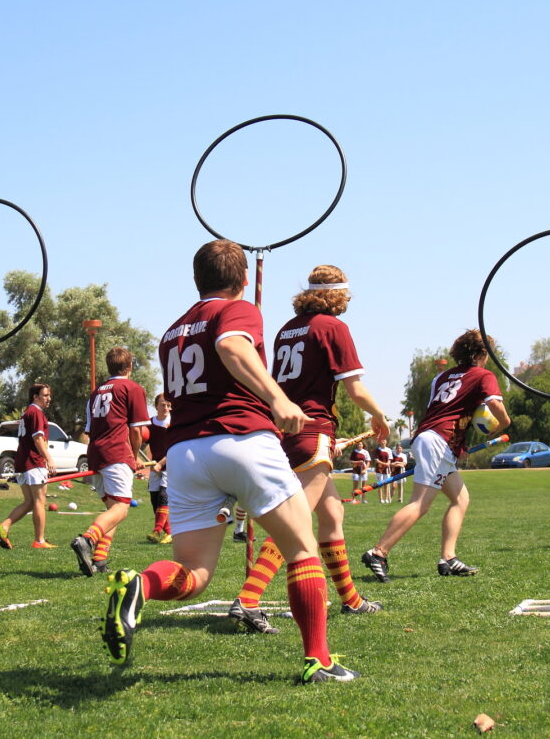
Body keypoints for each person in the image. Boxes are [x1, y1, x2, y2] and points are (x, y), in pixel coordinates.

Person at [100, 239, 357, 684]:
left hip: (185, 454)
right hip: (242, 439)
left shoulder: (173, 330)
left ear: (196, 279)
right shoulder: (238, 310)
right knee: (301, 548)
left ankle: (141, 584)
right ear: (241, 280)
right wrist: (278, 400)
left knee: (193, 574)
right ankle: (319, 658)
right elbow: (231, 348)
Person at [230, 265, 390, 633]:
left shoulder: (288, 328)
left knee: (332, 513)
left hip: (285, 429)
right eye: (346, 294)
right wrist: (379, 415)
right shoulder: (333, 327)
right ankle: (248, 599)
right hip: (313, 430)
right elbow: (355, 389)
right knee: (295, 521)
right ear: (336, 294)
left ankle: (351, 600)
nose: (348, 301)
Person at [361, 330, 509, 581]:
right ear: (483, 354)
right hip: (438, 442)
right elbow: (495, 406)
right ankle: (378, 552)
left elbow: (443, 410)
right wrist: (504, 423)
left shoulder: (441, 377)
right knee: (420, 504)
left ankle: (448, 558)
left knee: (460, 499)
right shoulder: (484, 375)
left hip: (431, 438)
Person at [70, 347, 150, 575]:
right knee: (122, 509)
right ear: (130, 366)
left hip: (96, 452)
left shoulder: (95, 393)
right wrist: (133, 458)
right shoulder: (132, 388)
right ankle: (87, 539)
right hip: (116, 452)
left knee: (112, 508)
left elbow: (88, 430)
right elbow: (137, 431)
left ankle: (100, 559)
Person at [0, 383, 57, 549]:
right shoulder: (35, 412)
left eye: (49, 395)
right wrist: (48, 459)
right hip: (33, 461)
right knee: (39, 501)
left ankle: (4, 526)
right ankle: (39, 541)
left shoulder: (28, 412)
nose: (49, 398)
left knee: (29, 501)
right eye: (45, 395)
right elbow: (38, 439)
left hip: (22, 461)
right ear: (35, 396)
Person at [144, 393, 172, 544]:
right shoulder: (149, 424)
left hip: (170, 465)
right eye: (163, 404)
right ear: (156, 406)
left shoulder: (174, 423)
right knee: (155, 500)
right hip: (155, 467)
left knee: (163, 495)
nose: (166, 407)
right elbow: (140, 441)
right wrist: (138, 459)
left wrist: (161, 463)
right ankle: (169, 532)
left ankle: (156, 531)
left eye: (168, 405)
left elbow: (174, 447)